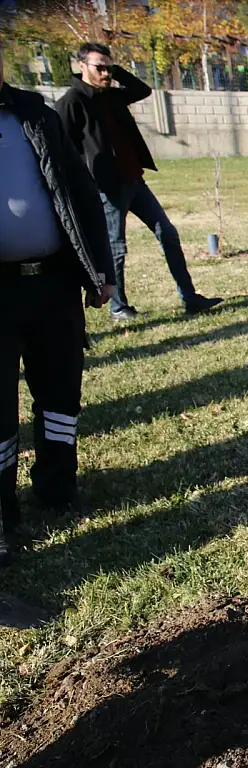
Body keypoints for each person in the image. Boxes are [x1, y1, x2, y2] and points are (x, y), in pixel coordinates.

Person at [1, 44, 115, 568]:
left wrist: (100, 271)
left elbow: (80, 193)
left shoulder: (34, 114)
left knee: (61, 393)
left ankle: (56, 486)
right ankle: (5, 511)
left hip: (53, 286)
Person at [55, 43, 220, 321]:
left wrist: (117, 70)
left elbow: (142, 91)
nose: (106, 73)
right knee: (116, 248)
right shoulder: (72, 102)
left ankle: (190, 298)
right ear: (81, 65)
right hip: (107, 188)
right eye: (100, 68)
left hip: (134, 181)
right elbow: (62, 149)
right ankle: (119, 307)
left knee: (168, 233)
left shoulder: (114, 96)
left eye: (109, 67)